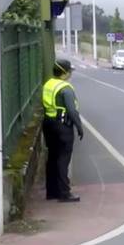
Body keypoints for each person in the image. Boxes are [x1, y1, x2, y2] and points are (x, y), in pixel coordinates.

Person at [41, 58, 84, 202]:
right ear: (64, 72)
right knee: (63, 159)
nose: (71, 74)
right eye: (70, 71)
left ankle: (51, 191)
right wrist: (79, 127)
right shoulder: (65, 88)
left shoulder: (48, 84)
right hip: (63, 126)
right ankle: (65, 193)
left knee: (52, 157)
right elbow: (72, 111)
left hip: (48, 124)